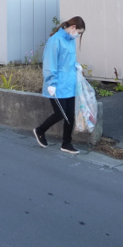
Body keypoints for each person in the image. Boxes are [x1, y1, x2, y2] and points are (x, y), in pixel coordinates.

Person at [33, 16, 86, 154]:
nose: (78, 35)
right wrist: (51, 82)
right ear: (73, 27)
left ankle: (66, 143)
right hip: (56, 85)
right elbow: (50, 63)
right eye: (79, 32)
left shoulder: (70, 40)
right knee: (60, 114)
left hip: (69, 83)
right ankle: (40, 130)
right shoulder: (55, 40)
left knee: (70, 115)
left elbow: (67, 60)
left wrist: (76, 66)